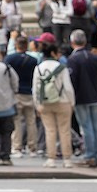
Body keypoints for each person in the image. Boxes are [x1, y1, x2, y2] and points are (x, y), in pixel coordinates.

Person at [33, 38, 75, 166]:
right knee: (65, 130)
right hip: (63, 101)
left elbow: (35, 88)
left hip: (45, 103)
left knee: (50, 130)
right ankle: (67, 159)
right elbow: (68, 87)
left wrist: (37, 105)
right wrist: (72, 103)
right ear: (53, 53)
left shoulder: (38, 68)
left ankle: (51, 158)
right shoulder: (61, 68)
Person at [66, 28, 97, 167]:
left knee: (86, 126)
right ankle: (94, 154)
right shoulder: (94, 58)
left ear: (72, 42)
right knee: (94, 126)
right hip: (94, 95)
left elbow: (72, 80)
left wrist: (72, 97)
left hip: (81, 96)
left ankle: (90, 155)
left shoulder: (73, 59)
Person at [5, 34, 40, 157]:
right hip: (29, 92)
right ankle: (33, 148)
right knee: (31, 121)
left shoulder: (9, 59)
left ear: (16, 45)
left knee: (17, 121)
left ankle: (17, 147)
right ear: (26, 46)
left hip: (16, 93)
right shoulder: (33, 60)